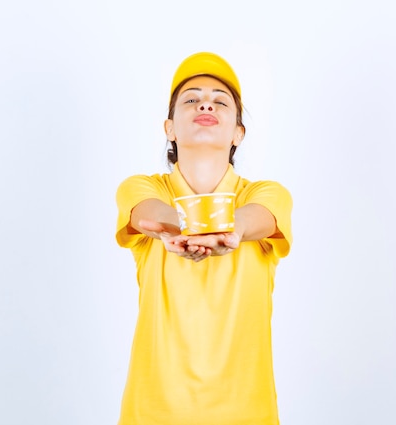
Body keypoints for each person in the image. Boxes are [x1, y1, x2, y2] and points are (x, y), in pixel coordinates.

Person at [115, 52, 292, 425]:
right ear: (170, 128)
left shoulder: (266, 195)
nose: (205, 103)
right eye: (191, 99)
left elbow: (256, 218)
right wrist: (182, 228)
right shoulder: (144, 188)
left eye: (220, 100)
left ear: (238, 133)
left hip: (246, 412)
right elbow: (148, 213)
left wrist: (233, 230)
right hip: (153, 411)